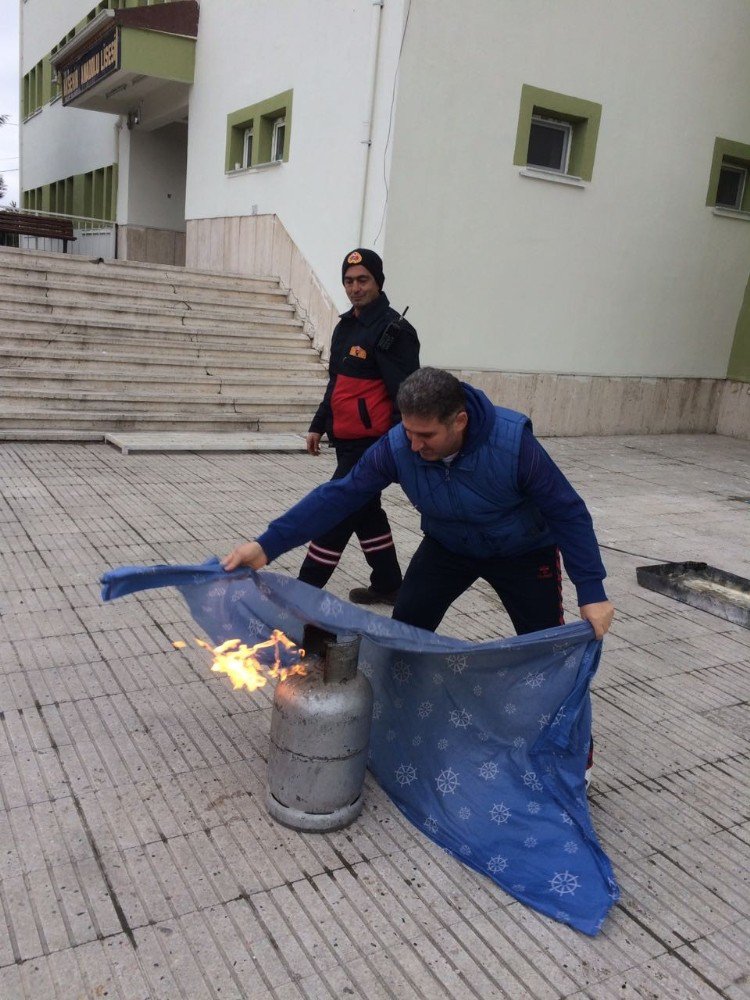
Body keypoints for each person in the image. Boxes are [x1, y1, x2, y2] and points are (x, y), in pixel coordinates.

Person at [224, 367, 614, 642]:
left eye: (426, 435)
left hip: (522, 552)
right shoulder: (397, 447)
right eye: (408, 431)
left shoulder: (513, 445)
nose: (414, 445)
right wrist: (266, 545)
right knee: (405, 631)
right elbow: (339, 496)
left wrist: (592, 591)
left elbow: (568, 511)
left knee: (544, 646)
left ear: (459, 421)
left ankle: (573, 755)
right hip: (447, 547)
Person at [298, 247, 419, 605]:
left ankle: (302, 593)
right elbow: (336, 382)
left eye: (363, 280)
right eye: (349, 281)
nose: (355, 287)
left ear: (378, 282)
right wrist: (318, 425)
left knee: (337, 508)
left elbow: (406, 393)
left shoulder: (394, 330)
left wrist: (399, 444)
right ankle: (388, 583)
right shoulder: (346, 326)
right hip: (347, 440)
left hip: (375, 444)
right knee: (365, 512)